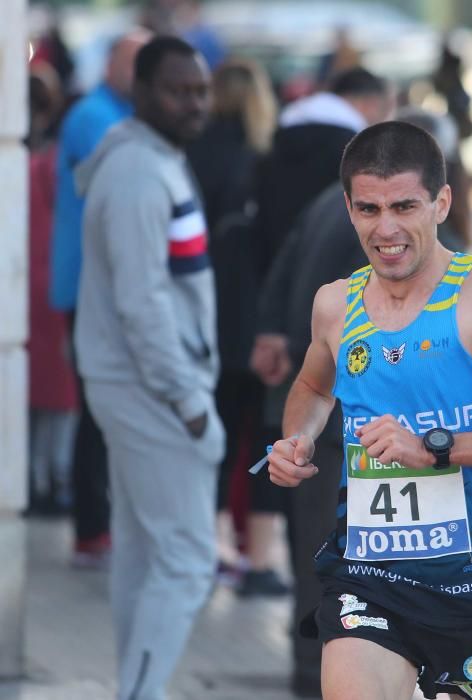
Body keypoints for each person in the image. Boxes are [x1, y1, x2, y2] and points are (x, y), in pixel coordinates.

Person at [267, 121, 472, 700]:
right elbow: (315, 389)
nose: (385, 228)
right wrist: (298, 438)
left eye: (404, 206)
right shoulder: (336, 305)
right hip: (367, 577)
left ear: (441, 202)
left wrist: (434, 448)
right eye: (368, 209)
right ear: (348, 207)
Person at [74, 36, 223, 700]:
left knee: (144, 554)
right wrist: (187, 397)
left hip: (134, 381)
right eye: (177, 90)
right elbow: (142, 301)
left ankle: (140, 688)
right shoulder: (137, 171)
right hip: (149, 387)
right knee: (189, 561)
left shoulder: (153, 159)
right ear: (140, 93)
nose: (193, 103)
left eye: (200, 90)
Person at [242, 67, 392, 602]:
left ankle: (313, 671)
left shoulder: (329, 200)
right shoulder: (379, 230)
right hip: (352, 425)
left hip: (316, 405)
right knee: (345, 567)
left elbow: (279, 267)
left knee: (316, 555)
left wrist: (271, 335)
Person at [49, 28, 151, 566]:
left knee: (101, 405)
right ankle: (93, 528)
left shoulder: (110, 115)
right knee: (98, 406)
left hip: (99, 283)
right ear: (113, 64)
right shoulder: (97, 118)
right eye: (138, 64)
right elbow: (117, 200)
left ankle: (98, 524)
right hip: (94, 285)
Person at [186, 58, 278, 584]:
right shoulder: (263, 160)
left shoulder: (189, 154)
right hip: (254, 316)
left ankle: (214, 538)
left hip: (205, 311)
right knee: (261, 432)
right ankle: (253, 551)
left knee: (212, 433)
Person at [26, 62, 78, 516]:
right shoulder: (64, 169)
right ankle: (56, 478)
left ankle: (33, 477)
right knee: (61, 397)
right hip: (60, 287)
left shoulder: (26, 167)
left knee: (33, 394)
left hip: (26, 286)